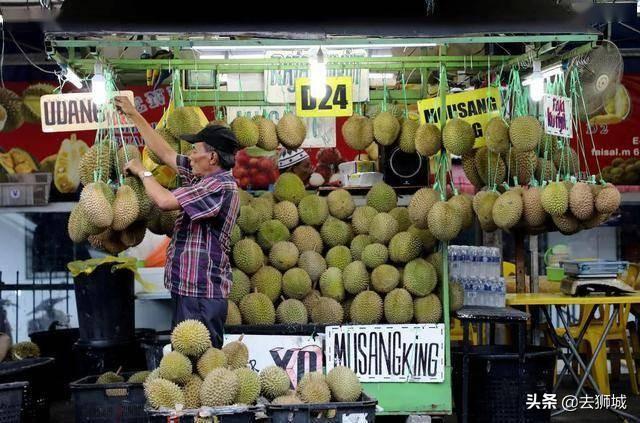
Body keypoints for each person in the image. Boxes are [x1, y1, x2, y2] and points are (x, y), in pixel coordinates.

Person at [114, 97, 240, 348]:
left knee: (203, 365)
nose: (190, 155)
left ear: (212, 157)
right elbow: (165, 153)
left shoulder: (219, 186)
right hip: (188, 289)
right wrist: (133, 114)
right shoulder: (201, 178)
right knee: (185, 364)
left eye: (195, 150)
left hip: (201, 293)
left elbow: (163, 201)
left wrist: (143, 171)